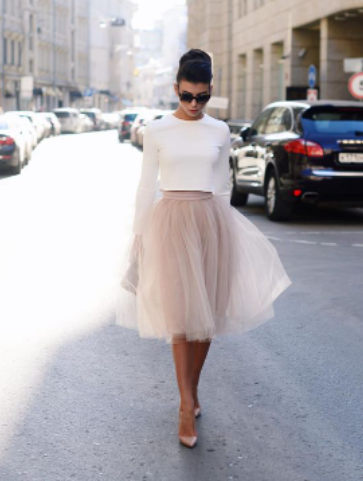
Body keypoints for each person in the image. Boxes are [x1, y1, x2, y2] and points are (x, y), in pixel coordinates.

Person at [116, 49, 292, 449]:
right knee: (180, 319)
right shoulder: (157, 130)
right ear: (175, 88)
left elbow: (223, 185)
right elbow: (147, 186)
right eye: (187, 96)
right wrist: (139, 240)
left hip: (211, 222)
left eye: (202, 97)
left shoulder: (220, 130)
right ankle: (184, 405)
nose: (194, 105)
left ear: (211, 90)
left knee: (206, 319)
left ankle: (192, 391)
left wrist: (224, 231)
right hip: (170, 223)